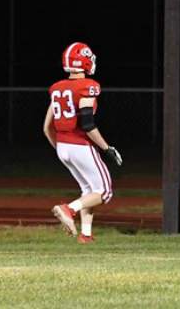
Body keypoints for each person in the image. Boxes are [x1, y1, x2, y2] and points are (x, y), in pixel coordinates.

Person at [45, 42, 121, 243]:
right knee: (104, 192)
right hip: (79, 144)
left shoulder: (56, 88)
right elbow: (87, 123)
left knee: (89, 190)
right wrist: (107, 148)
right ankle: (68, 208)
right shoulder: (88, 86)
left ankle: (86, 235)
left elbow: (46, 127)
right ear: (85, 61)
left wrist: (61, 148)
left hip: (62, 145)